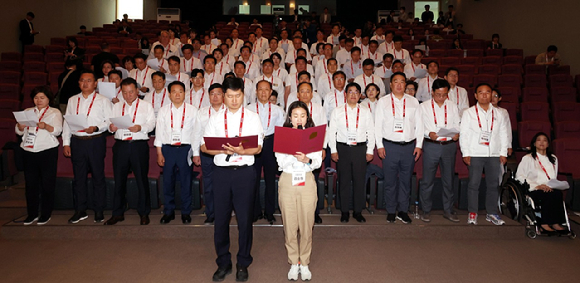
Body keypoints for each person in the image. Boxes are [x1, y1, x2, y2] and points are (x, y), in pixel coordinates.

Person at [201, 78, 264, 282]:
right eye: (230, 96)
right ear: (224, 96)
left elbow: (259, 147)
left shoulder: (253, 117)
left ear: (243, 95)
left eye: (238, 96)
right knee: (221, 219)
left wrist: (241, 150)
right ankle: (223, 261)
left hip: (244, 173)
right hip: (221, 173)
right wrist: (222, 149)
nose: (234, 100)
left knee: (245, 219)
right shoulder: (215, 118)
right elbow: (204, 147)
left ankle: (243, 261)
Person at [276, 101, 322, 281]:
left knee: (306, 223)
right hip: (288, 179)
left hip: (306, 180)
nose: (299, 119)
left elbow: (317, 161)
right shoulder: (283, 135)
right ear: (290, 118)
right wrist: (294, 155)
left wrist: (306, 160)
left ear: (307, 117)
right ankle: (293, 262)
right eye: (295, 116)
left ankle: (305, 262)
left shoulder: (314, 135)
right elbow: (280, 163)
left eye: (302, 116)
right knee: (290, 223)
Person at [63, 70, 113, 224]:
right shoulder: (72, 100)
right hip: (77, 142)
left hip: (95, 141)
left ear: (95, 83)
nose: (85, 83)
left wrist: (96, 128)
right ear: (78, 83)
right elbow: (67, 122)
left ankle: (99, 210)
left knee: (98, 176)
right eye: (82, 80)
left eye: (89, 80)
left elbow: (109, 122)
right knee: (79, 178)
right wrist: (66, 142)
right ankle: (80, 210)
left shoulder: (103, 100)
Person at [104, 78, 156, 226]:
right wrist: (111, 127)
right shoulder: (116, 106)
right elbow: (109, 122)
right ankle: (117, 213)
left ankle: (144, 213)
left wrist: (140, 128)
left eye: (131, 92)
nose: (128, 95)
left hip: (138, 145)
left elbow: (152, 123)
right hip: (120, 145)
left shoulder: (146, 105)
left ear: (137, 91)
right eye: (125, 92)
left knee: (141, 179)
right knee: (119, 180)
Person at [374, 72, 423, 224]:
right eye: (396, 81)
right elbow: (377, 126)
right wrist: (380, 146)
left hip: (408, 147)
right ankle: (390, 210)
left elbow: (420, 126)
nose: (399, 85)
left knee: (405, 180)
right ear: (391, 84)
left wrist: (419, 145)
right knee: (390, 181)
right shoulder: (383, 102)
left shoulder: (414, 102)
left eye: (402, 82)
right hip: (389, 146)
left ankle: (403, 210)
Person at [459, 83, 509, 226]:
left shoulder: (499, 113)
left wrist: (503, 152)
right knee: (474, 184)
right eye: (481, 92)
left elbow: (503, 134)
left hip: (493, 153)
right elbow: (464, 134)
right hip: (475, 153)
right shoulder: (469, 113)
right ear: (475, 95)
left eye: (488, 92)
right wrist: (466, 152)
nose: (485, 95)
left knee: (493, 185)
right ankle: (473, 212)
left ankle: (492, 213)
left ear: (492, 95)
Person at [329, 82, 375, 223]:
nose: (353, 95)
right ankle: (344, 211)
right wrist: (333, 150)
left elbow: (371, 131)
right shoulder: (337, 110)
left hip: (360, 149)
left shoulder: (366, 111)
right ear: (345, 94)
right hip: (343, 148)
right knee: (343, 181)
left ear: (360, 95)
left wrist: (370, 150)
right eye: (350, 92)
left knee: (359, 181)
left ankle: (357, 211)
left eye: (356, 92)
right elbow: (332, 132)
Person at [154, 81, 199, 225]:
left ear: (185, 93)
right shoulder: (163, 110)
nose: (177, 94)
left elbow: (196, 133)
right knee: (167, 182)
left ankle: (186, 212)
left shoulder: (193, 110)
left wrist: (195, 152)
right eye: (174, 91)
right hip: (168, 149)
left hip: (185, 149)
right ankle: (169, 212)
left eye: (180, 91)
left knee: (186, 182)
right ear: (169, 94)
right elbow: (159, 133)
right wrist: (159, 153)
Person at [17, 86, 62, 225]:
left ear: (49, 99)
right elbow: (19, 132)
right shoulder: (27, 111)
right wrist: (20, 127)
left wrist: (46, 126)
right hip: (29, 150)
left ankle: (46, 213)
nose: (39, 100)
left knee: (47, 184)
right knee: (31, 184)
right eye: (36, 98)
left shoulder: (54, 112)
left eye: (42, 97)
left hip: (47, 150)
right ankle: (32, 213)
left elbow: (58, 131)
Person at [419, 79, 461, 223]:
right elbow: (419, 126)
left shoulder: (452, 106)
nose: (441, 98)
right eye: (438, 95)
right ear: (432, 92)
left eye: (444, 95)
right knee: (428, 179)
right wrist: (428, 133)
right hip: (432, 145)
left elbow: (457, 123)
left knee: (448, 179)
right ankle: (425, 210)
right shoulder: (424, 106)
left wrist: (457, 134)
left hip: (449, 146)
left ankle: (448, 210)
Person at [247, 80, 285, 224]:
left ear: (270, 92)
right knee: (253, 179)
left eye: (266, 90)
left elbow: (281, 132)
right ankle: (255, 211)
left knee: (270, 179)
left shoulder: (277, 110)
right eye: (260, 89)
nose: (263, 92)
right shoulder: (249, 109)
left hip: (271, 143)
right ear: (256, 92)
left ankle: (270, 211)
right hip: (254, 143)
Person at [516, 132, 569, 234]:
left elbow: (553, 176)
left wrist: (552, 185)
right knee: (547, 195)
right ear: (534, 143)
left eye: (544, 140)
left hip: (549, 187)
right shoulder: (528, 158)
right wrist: (537, 186)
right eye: (539, 140)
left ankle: (556, 223)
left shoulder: (553, 159)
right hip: (534, 188)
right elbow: (520, 176)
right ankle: (544, 224)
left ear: (548, 144)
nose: (542, 142)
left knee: (557, 194)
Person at [192, 83, 226, 224]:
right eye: (212, 94)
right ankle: (211, 213)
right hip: (207, 154)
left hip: (225, 153)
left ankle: (224, 213)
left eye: (218, 93)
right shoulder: (202, 112)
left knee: (225, 184)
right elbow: (196, 134)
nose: (215, 96)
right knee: (209, 184)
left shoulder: (229, 111)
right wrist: (195, 153)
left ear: (223, 95)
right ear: (209, 96)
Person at [491, 89, 513, 156]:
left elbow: (508, 129)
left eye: (495, 96)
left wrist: (509, 145)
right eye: (491, 96)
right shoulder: (481, 111)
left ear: (499, 98)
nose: (492, 98)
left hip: (499, 143)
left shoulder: (503, 112)